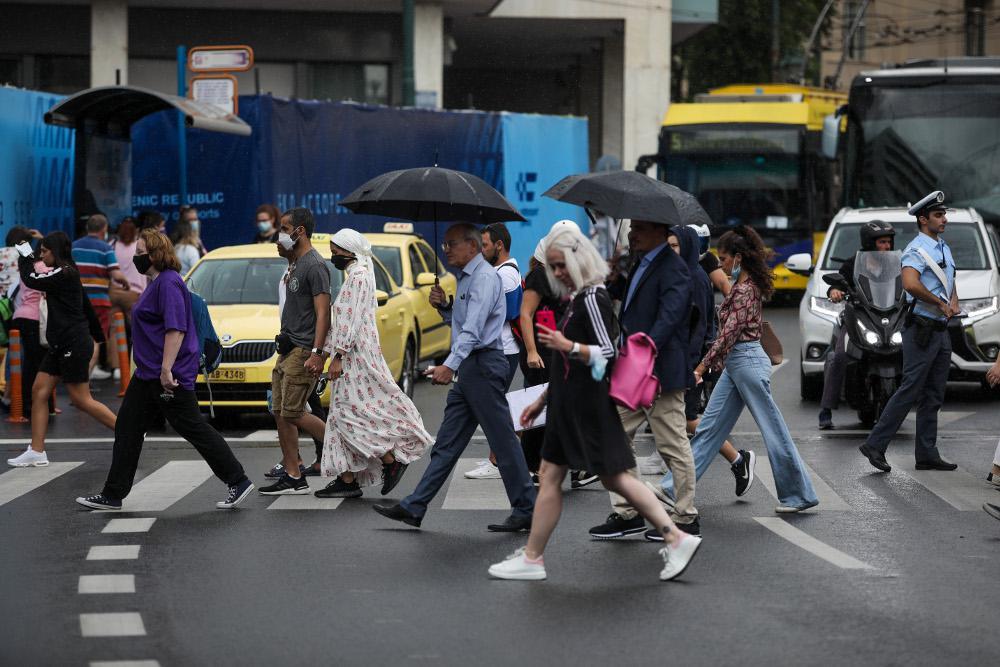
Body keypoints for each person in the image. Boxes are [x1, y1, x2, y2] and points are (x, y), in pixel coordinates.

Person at [488, 227, 702, 582]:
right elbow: (569, 363)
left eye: (560, 266)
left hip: (587, 406)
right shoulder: (578, 297)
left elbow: (609, 351)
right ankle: (532, 557)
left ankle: (676, 536)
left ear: (578, 261)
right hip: (569, 403)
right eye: (552, 266)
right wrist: (544, 398)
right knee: (553, 476)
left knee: (615, 478)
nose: (556, 273)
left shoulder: (590, 298)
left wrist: (565, 345)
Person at [372, 223, 536, 531]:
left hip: (484, 366)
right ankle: (415, 506)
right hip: (473, 369)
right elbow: (462, 323)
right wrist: (444, 308)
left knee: (503, 441)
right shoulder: (466, 278)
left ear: (472, 247)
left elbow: (474, 331)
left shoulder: (485, 279)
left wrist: (450, 364)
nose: (445, 249)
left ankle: (526, 507)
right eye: (445, 244)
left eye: (452, 244)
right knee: (447, 443)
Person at [75, 229, 253, 510]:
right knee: (127, 428)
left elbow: (176, 329)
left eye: (140, 253)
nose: (135, 258)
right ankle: (113, 494)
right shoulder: (155, 282)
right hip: (148, 373)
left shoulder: (168, 283)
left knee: (194, 428)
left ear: (156, 254)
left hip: (166, 375)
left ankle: (238, 479)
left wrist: (167, 370)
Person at [660, 226, 819, 513]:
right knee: (708, 430)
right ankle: (673, 488)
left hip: (746, 362)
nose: (721, 264)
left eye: (724, 259)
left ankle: (799, 495)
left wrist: (700, 368)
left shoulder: (747, 290)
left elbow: (727, 336)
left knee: (774, 430)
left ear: (739, 258)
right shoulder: (742, 288)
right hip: (737, 364)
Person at [588, 219, 701, 540]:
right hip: (635, 371)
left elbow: (671, 316)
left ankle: (686, 515)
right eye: (632, 226)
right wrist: (612, 281)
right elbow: (629, 302)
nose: (631, 233)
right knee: (614, 434)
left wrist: (644, 348)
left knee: (672, 444)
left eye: (638, 227)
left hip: (660, 372)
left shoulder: (673, 267)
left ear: (659, 231)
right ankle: (629, 510)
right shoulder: (641, 262)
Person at [313, 229, 432, 498]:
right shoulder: (357, 275)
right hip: (353, 354)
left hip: (353, 357)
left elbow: (351, 321)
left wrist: (338, 355)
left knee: (349, 414)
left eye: (336, 252)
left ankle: (390, 460)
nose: (333, 256)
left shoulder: (358, 277)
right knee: (343, 414)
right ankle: (347, 478)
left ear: (349, 251)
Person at [858, 192, 960, 473]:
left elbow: (949, 279)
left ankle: (926, 453)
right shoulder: (916, 250)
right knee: (910, 388)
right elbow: (910, 284)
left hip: (941, 330)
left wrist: (953, 301)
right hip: (921, 329)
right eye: (939, 215)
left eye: (944, 214)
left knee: (934, 394)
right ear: (923, 219)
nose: (944, 220)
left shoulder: (943, 247)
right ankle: (875, 445)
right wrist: (940, 303)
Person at [7, 232, 118, 468]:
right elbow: (85, 305)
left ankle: (129, 433)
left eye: (45, 251)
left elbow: (32, 279)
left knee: (80, 399)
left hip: (73, 343)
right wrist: (99, 337)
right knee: (39, 392)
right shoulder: (67, 273)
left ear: (55, 252)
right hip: (60, 344)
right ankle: (37, 451)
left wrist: (25, 255)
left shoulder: (64, 272)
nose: (42, 255)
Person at [258, 208, 331, 495]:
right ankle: (293, 474)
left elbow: (323, 313)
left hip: (303, 351)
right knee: (280, 411)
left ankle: (349, 454)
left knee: (293, 412)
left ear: (299, 231)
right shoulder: (295, 263)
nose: (280, 235)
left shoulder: (314, 265)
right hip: (287, 349)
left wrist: (317, 352)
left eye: (285, 229)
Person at [818, 221, 895, 430]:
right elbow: (837, 283)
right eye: (882, 242)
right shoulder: (853, 263)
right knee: (841, 356)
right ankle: (826, 409)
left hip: (887, 318)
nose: (886, 246)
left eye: (888, 242)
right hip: (857, 317)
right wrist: (835, 290)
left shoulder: (895, 264)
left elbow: (904, 283)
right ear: (870, 243)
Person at [72, 214, 132, 379]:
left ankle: (78, 375)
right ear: (104, 229)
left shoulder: (74, 247)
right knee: (94, 339)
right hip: (98, 301)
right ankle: (83, 378)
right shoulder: (105, 248)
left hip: (77, 301)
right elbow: (115, 273)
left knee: (79, 337)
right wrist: (125, 282)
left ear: (87, 228)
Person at [4, 227, 55, 417]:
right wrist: (43, 239)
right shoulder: (43, 268)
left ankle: (20, 402)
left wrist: (31, 241)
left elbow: (26, 253)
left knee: (23, 363)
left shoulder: (27, 265)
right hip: (35, 320)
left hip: (19, 316)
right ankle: (31, 405)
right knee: (39, 365)